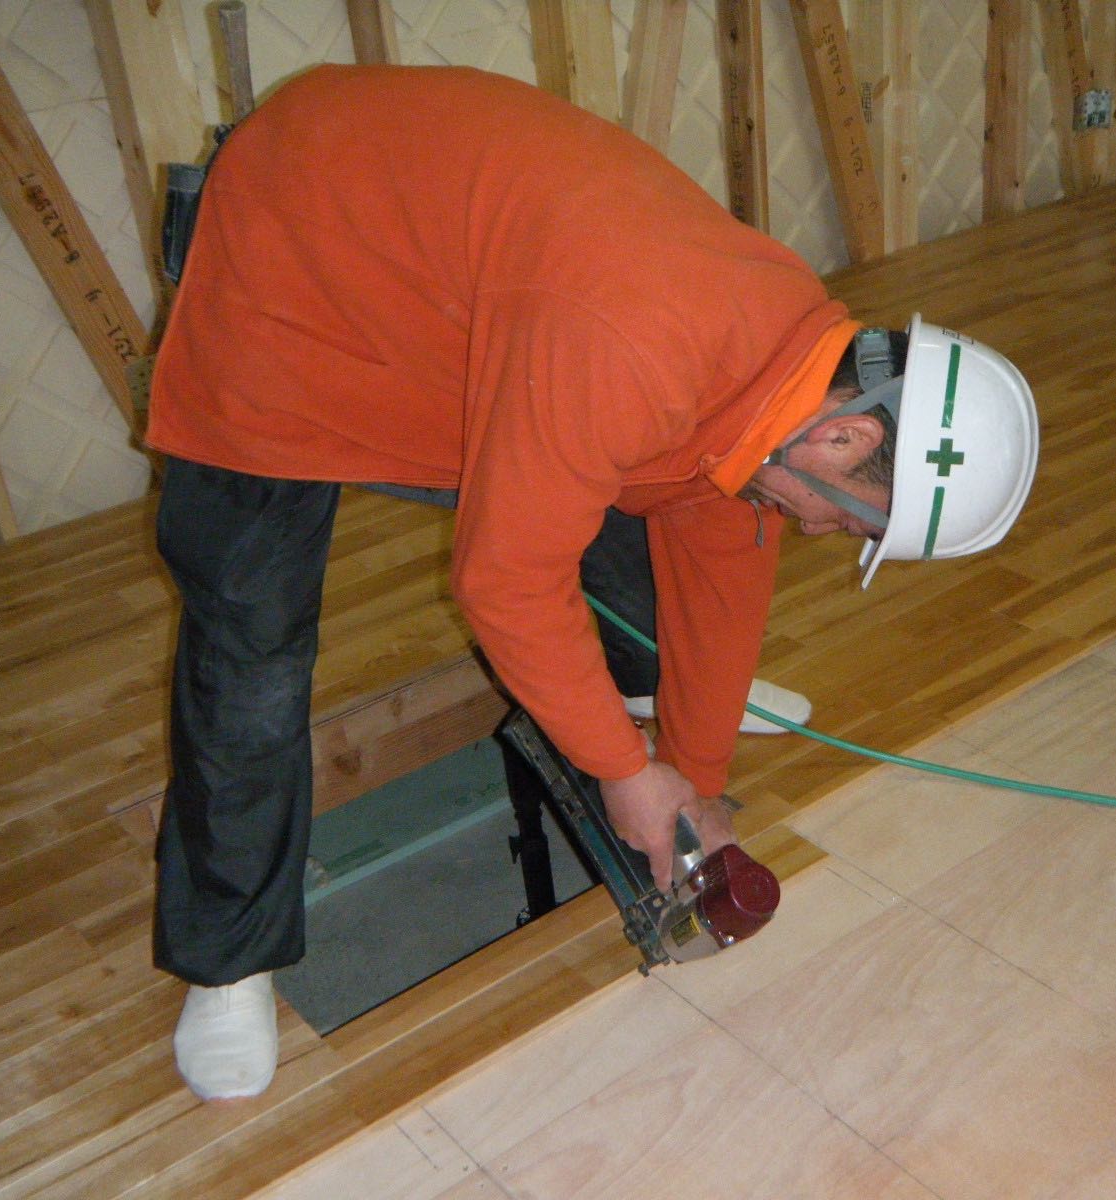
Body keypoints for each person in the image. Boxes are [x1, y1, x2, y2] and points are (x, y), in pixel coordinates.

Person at [145, 64, 1038, 1102]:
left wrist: (696, 779)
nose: (824, 532)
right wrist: (621, 769)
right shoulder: (637, 339)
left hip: (456, 311)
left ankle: (628, 706)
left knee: (635, 517)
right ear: (845, 439)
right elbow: (505, 581)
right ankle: (229, 958)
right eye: (851, 521)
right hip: (287, 260)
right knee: (251, 648)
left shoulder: (785, 361)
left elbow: (724, 562)